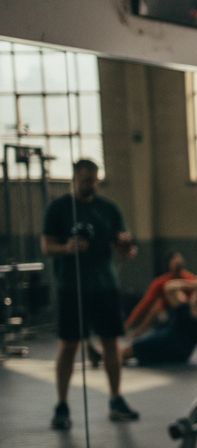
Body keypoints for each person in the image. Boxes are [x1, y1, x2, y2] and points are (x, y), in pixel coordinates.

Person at [41, 158, 139, 429]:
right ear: (75, 178)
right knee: (69, 344)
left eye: (94, 180)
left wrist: (126, 247)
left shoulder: (108, 209)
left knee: (110, 343)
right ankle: (61, 405)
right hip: (71, 287)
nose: (90, 185)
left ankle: (116, 399)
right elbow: (46, 246)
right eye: (85, 180)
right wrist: (66, 248)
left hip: (104, 285)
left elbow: (125, 247)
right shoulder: (58, 209)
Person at [119, 279, 197, 366]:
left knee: (131, 351)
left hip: (170, 345)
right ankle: (113, 355)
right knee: (132, 352)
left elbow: (169, 288)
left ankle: (113, 355)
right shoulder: (188, 308)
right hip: (178, 351)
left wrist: (194, 286)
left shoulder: (192, 309)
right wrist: (194, 285)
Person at [125, 251, 197, 337]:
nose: (178, 264)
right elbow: (145, 303)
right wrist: (129, 324)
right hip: (170, 314)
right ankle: (139, 331)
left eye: (179, 261)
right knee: (156, 307)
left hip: (189, 313)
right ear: (169, 265)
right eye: (175, 262)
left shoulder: (189, 278)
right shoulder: (161, 282)